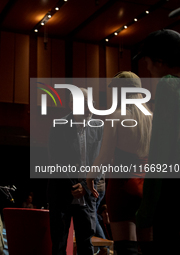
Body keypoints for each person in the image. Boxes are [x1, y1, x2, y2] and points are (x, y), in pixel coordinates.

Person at [87, 71, 153, 255]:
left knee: (126, 248)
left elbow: (105, 156)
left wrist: (90, 177)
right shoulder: (151, 119)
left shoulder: (116, 116)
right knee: (148, 247)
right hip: (146, 187)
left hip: (122, 187)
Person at [134, 29, 180, 255]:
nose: (148, 69)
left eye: (148, 62)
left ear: (160, 61)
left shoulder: (169, 86)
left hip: (173, 200)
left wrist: (145, 213)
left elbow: (160, 153)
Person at [47, 88, 103, 255]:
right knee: (59, 245)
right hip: (61, 193)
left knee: (86, 245)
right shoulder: (59, 126)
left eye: (91, 104)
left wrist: (84, 188)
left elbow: (101, 163)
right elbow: (55, 161)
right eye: (84, 104)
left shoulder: (98, 128)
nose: (89, 108)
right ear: (72, 105)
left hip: (86, 196)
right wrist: (74, 187)